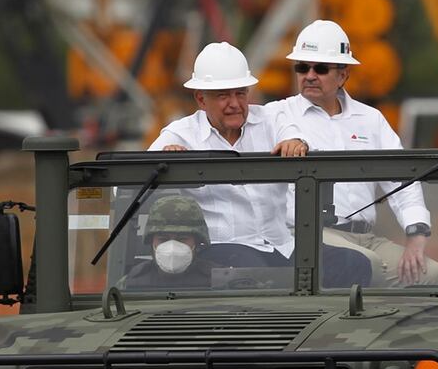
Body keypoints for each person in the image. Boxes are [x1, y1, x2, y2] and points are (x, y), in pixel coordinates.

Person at [150, 41, 372, 286]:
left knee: (354, 264)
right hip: (223, 250)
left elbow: (293, 132)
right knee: (254, 272)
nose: (234, 103)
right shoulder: (181, 133)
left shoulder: (269, 118)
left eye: (240, 93)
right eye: (223, 95)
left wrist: (295, 142)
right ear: (201, 100)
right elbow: (136, 179)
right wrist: (166, 156)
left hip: (281, 246)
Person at [264, 20, 438, 287]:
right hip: (308, 238)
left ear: (343, 74)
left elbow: (401, 178)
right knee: (365, 265)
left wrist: (416, 235)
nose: (310, 75)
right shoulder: (276, 114)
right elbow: (227, 129)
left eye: (321, 68)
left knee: (434, 277)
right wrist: (178, 143)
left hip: (367, 238)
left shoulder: (371, 119)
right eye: (302, 67)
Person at [122, 195, 219, 289]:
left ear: (197, 242)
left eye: (182, 239)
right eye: (163, 239)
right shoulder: (130, 282)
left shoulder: (220, 279)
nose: (172, 247)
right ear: (151, 242)